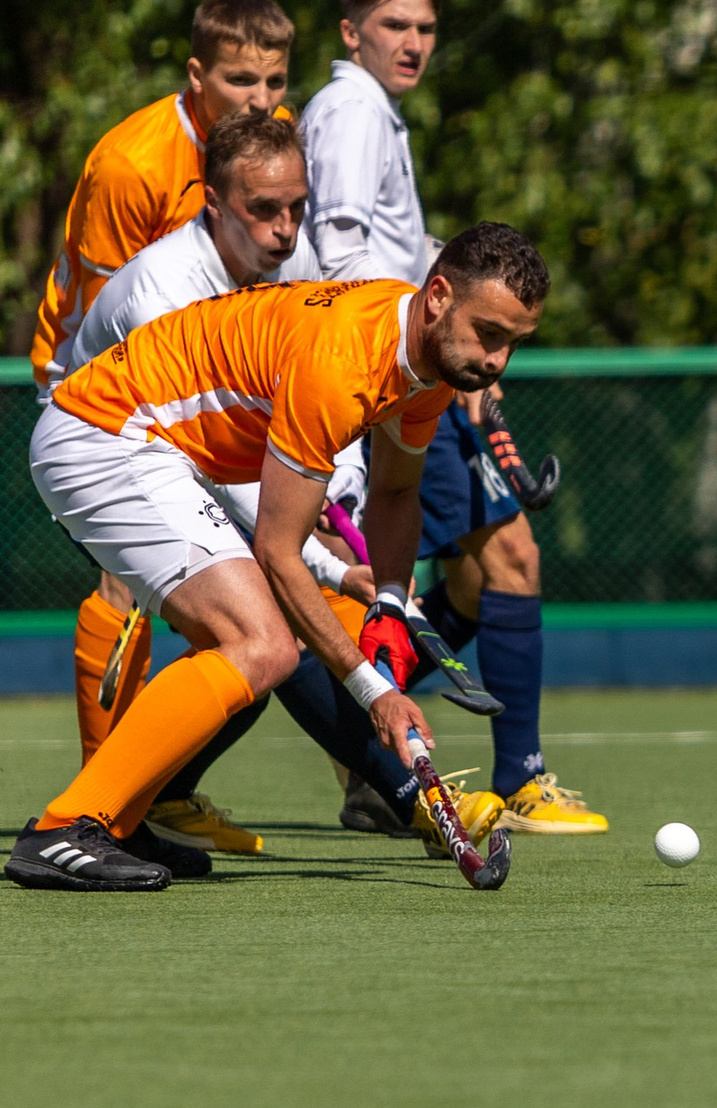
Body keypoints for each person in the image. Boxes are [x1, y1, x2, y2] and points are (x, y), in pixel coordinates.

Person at [9, 223, 549, 891]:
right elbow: (277, 549)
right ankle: (67, 827)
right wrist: (374, 690)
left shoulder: (429, 361)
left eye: (513, 344)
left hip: (157, 447)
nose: (497, 361)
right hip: (107, 434)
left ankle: (121, 816)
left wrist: (385, 600)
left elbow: (396, 490)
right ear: (438, 295)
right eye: (489, 334)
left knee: (260, 638)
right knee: (263, 641)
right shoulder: (344, 361)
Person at [59, 111, 505, 857]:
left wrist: (359, 544)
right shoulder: (166, 285)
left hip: (197, 451)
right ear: (212, 202)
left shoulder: (292, 274)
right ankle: (403, 796)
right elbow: (215, 447)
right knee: (270, 621)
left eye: (297, 207)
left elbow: (333, 411)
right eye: (263, 210)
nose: (285, 228)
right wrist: (328, 562)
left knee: (262, 636)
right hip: (107, 434)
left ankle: (138, 808)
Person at [301, 0, 603, 834]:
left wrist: (468, 367)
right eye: (395, 24)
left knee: (474, 578)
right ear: (351, 30)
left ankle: (366, 744)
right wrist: (424, 359)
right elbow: (345, 258)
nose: (414, 42)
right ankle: (513, 775)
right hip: (392, 378)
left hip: (419, 372)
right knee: (507, 559)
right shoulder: (352, 111)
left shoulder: (376, 111)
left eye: (426, 26)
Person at [27, 0, 295, 781]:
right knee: (130, 578)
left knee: (237, 591)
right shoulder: (132, 164)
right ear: (195, 73)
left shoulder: (268, 142)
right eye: (242, 80)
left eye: (276, 81)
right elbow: (109, 328)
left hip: (199, 378)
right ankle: (105, 803)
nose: (263, 102)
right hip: (96, 382)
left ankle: (152, 794)